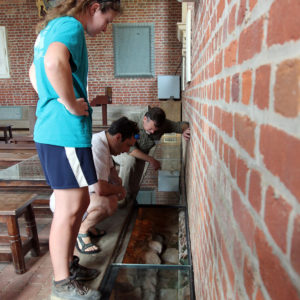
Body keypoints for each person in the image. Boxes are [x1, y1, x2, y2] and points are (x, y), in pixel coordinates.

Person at [28, 1, 121, 299]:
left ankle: (68, 264)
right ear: (95, 7)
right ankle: (62, 283)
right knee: (69, 210)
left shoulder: (52, 28)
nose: (106, 27)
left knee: (79, 204)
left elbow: (34, 71)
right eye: (107, 18)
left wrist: (51, 100)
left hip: (59, 131)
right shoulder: (71, 27)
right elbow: (53, 63)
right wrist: (67, 103)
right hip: (63, 132)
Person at [50, 117, 139, 254]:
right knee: (109, 203)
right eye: (127, 145)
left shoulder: (104, 142)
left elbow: (111, 170)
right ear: (118, 137)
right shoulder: (97, 146)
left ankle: (88, 225)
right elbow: (101, 189)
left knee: (112, 195)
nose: (127, 150)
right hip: (65, 202)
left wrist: (117, 183)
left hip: (80, 196)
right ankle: (81, 231)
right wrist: (119, 189)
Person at [113, 106, 190, 206]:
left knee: (135, 185)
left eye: (155, 130)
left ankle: (130, 202)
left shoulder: (162, 124)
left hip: (141, 154)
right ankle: (120, 196)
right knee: (130, 161)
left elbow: (180, 125)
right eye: (150, 128)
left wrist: (185, 130)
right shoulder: (131, 121)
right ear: (145, 119)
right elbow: (130, 150)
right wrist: (151, 160)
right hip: (120, 150)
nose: (153, 132)